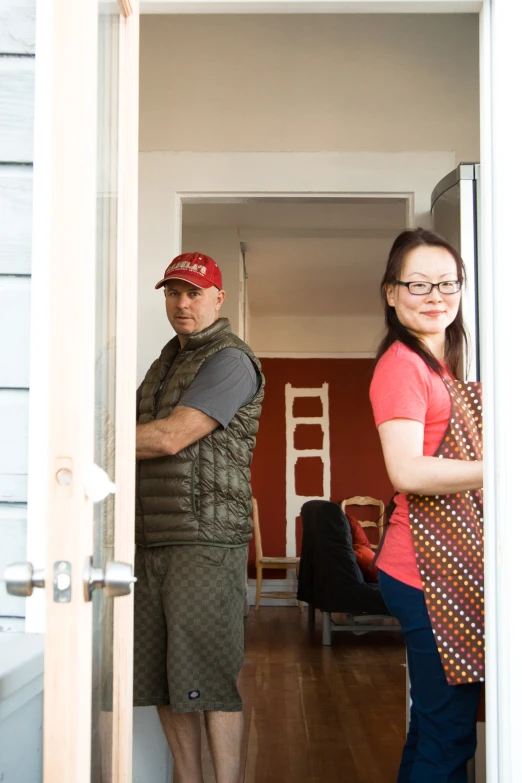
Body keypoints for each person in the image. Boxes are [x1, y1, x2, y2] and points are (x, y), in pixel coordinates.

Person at [133, 252, 264, 783]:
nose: (182, 303)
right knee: (166, 681)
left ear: (217, 297)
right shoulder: (163, 363)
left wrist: (81, 441)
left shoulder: (230, 360)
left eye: (193, 292)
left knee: (207, 680)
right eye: (173, 292)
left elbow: (170, 437)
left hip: (204, 543)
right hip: (152, 540)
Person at [369, 228, 483, 783]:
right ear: (391, 292)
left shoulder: (445, 363)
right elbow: (407, 470)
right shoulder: (402, 366)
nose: (435, 295)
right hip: (424, 573)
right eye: (418, 284)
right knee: (449, 733)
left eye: (447, 283)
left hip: (446, 569)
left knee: (434, 726)